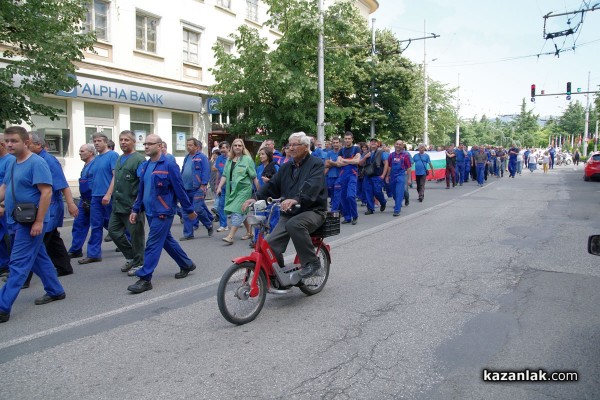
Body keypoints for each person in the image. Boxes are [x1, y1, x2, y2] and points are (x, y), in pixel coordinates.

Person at [0, 126, 66, 323]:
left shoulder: (36, 163)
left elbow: (46, 193)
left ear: (26, 142)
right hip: (15, 219)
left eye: (14, 141)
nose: (9, 144)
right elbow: (5, 187)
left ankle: (3, 307)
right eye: (7, 141)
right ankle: (55, 290)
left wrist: (39, 221)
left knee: (18, 264)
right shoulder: (12, 162)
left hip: (30, 222)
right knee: (39, 258)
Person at [242, 131, 327, 279]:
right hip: (290, 212)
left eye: (295, 145)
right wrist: (255, 197)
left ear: (306, 147)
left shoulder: (316, 164)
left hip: (313, 210)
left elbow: (312, 185)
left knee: (295, 225)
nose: (291, 148)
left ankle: (312, 263)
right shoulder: (286, 167)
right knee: (268, 246)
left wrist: (296, 199)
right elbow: (272, 185)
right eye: (290, 145)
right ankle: (279, 273)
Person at [127, 134, 198, 294]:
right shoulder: (145, 166)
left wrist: (189, 210)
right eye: (144, 144)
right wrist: (135, 209)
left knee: (152, 244)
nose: (146, 146)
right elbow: (141, 190)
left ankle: (145, 278)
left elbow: (179, 190)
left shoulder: (169, 165)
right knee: (166, 240)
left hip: (163, 212)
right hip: (150, 212)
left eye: (150, 144)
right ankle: (186, 264)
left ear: (160, 146)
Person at [26, 133, 78, 279]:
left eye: (28, 143)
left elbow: (63, 185)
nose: (26, 146)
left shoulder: (48, 161)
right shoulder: (33, 159)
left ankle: (24, 276)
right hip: (42, 207)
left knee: (36, 243)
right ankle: (64, 267)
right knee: (52, 239)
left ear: (38, 145)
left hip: (51, 207)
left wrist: (71, 204)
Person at [103, 131, 146, 274]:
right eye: (121, 140)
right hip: (118, 204)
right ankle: (131, 257)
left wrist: (138, 204)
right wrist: (109, 194)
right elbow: (116, 177)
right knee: (114, 232)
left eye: (126, 140)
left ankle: (139, 263)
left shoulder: (139, 159)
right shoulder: (120, 158)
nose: (123, 142)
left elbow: (143, 182)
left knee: (136, 236)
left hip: (132, 205)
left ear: (133, 142)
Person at [80, 132, 118, 265]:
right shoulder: (96, 159)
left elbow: (116, 176)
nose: (96, 143)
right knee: (96, 225)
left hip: (108, 196)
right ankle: (94, 254)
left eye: (99, 141)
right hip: (95, 196)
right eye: (94, 141)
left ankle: (130, 245)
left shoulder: (112, 155)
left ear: (106, 143)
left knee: (115, 224)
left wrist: (108, 194)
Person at [216, 138, 259, 244]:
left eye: (240, 145)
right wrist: (219, 187)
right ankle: (250, 232)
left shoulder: (247, 159)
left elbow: (254, 177)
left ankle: (230, 236)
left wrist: (260, 192)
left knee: (237, 211)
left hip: (244, 190)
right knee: (242, 210)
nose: (237, 147)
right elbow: (225, 175)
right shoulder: (229, 160)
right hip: (232, 189)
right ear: (232, 147)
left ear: (243, 147)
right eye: (235, 145)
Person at [180, 138, 213, 241]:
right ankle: (188, 234)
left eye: (190, 145)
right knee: (186, 211)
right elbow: (183, 171)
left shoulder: (201, 157)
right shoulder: (186, 157)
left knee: (197, 209)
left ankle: (208, 224)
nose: (188, 147)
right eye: (187, 145)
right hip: (186, 188)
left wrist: (203, 185)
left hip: (197, 188)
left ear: (196, 147)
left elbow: (206, 171)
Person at [68, 144, 95, 258]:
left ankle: (127, 242)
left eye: (82, 151)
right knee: (79, 224)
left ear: (90, 153)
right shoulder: (86, 166)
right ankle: (75, 249)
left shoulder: (95, 166)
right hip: (84, 201)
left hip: (94, 200)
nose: (79, 153)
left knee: (109, 224)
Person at [335, 131, 361, 225]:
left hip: (352, 175)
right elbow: (338, 163)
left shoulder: (356, 149)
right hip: (343, 175)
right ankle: (347, 217)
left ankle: (354, 216)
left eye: (349, 139)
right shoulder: (341, 150)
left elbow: (357, 161)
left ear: (352, 139)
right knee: (343, 197)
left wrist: (344, 160)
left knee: (350, 196)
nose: (347, 140)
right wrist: (351, 160)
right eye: (345, 139)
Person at [0, 134, 15, 278]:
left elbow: (9, 185)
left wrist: (3, 205)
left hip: (5, 206)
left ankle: (8, 266)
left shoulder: (10, 161)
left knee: (7, 237)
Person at [360, 138, 387, 215]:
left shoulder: (381, 152)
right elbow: (360, 163)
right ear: (369, 143)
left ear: (378, 144)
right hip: (367, 175)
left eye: (375, 142)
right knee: (368, 192)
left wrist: (383, 175)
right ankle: (370, 208)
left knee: (377, 191)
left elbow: (386, 163)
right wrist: (365, 157)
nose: (373, 143)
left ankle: (383, 202)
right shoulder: (365, 153)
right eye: (372, 142)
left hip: (377, 175)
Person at [385, 140, 412, 216]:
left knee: (399, 192)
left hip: (401, 175)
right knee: (394, 192)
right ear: (394, 145)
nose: (398, 145)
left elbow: (409, 168)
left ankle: (397, 209)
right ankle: (398, 202)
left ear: (402, 146)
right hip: (392, 176)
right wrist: (387, 176)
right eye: (397, 144)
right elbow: (389, 166)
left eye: (400, 144)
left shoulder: (405, 155)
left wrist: (409, 179)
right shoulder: (391, 155)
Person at [213, 141, 230, 232]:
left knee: (235, 206)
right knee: (221, 205)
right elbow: (218, 173)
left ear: (228, 148)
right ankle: (223, 225)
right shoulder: (219, 158)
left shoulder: (232, 158)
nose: (222, 150)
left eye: (224, 148)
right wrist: (216, 185)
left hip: (232, 186)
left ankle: (242, 221)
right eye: (221, 148)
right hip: (222, 186)